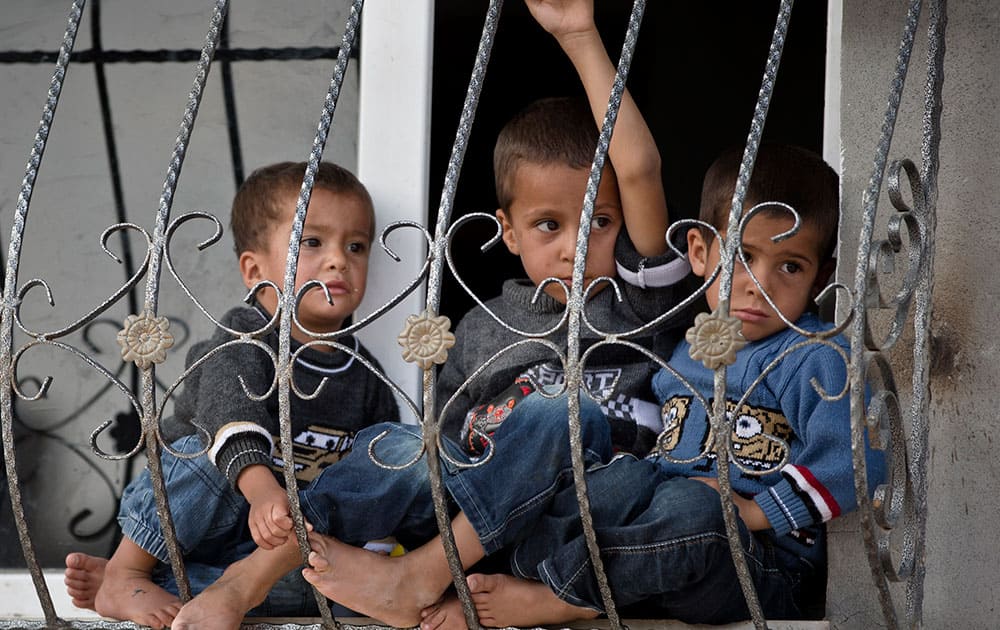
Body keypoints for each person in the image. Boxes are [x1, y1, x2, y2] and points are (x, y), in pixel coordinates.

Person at [62, 161, 400, 628]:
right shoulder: (242, 337)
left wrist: (376, 551)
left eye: (356, 246)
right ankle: (127, 570)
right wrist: (262, 490)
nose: (339, 259)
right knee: (200, 453)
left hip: (267, 546)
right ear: (254, 269)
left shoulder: (367, 375)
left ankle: (166, 585)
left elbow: (378, 471)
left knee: (311, 576)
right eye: (312, 242)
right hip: (203, 514)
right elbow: (229, 416)